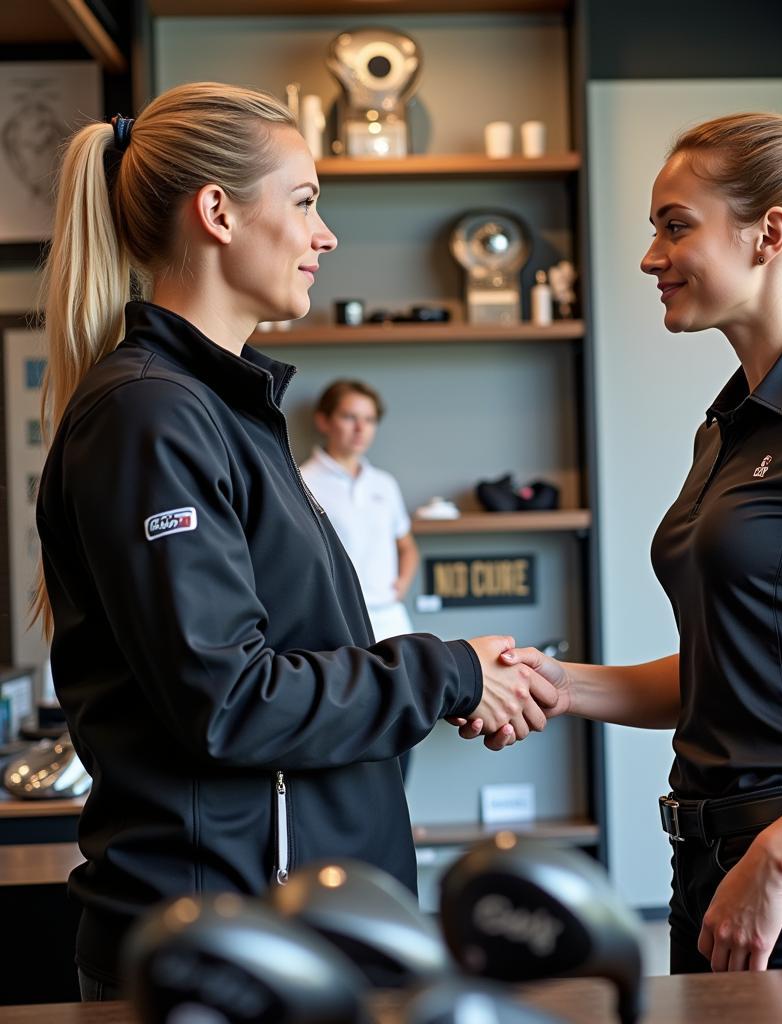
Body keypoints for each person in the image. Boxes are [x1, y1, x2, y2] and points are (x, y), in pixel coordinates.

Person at [33, 82, 553, 999]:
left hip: (295, 932)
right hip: (223, 947)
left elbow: (295, 662)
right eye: (307, 201)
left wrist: (457, 675)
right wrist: (445, 670)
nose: (327, 235)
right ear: (219, 212)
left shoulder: (223, 412)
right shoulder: (151, 416)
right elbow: (231, 701)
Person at [459, 113, 782, 972]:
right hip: (711, 866)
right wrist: (562, 685)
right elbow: (735, 670)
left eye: (676, 226)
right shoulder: (728, 428)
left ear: (768, 234)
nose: (649, 257)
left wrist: (779, 859)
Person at [300, 379, 418, 644]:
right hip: (337, 621)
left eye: (370, 419)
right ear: (323, 421)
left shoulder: (384, 484)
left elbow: (407, 546)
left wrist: (401, 585)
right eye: (349, 417)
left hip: (391, 619)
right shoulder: (301, 482)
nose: (360, 428)